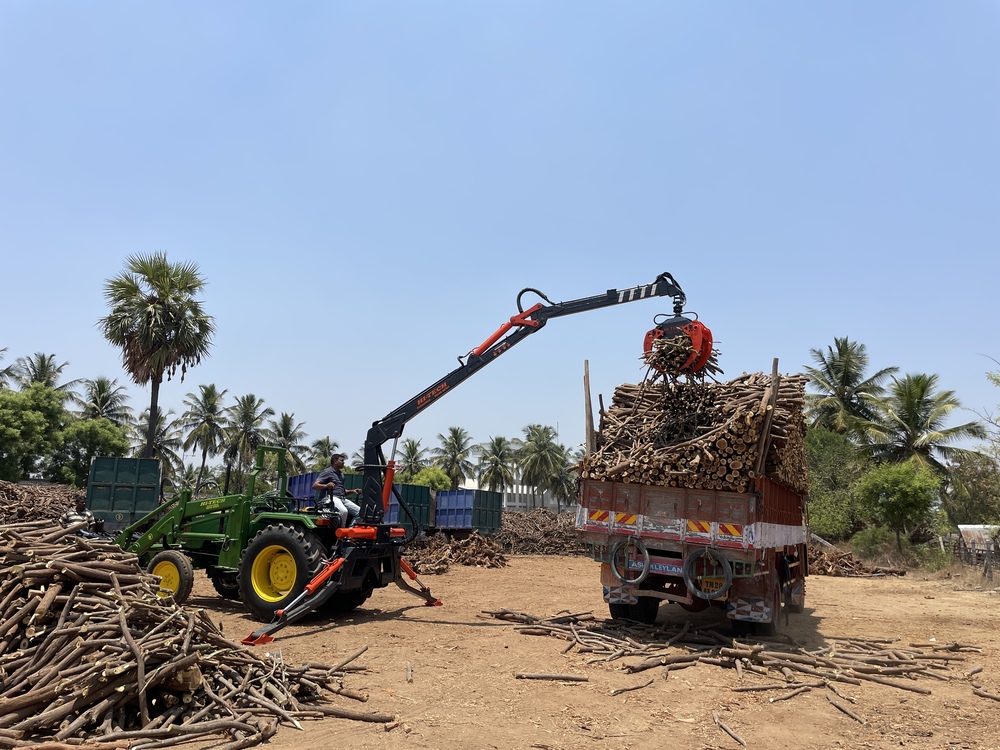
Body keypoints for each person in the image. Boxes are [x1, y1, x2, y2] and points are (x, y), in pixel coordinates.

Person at [312, 453, 362, 527]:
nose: (343, 462)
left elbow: (342, 492)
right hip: (330, 498)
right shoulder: (327, 472)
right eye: (341, 460)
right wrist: (326, 485)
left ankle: (349, 532)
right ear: (335, 461)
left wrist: (353, 491)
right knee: (344, 512)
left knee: (360, 512)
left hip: (341, 499)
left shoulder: (341, 474)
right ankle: (341, 534)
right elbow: (314, 486)